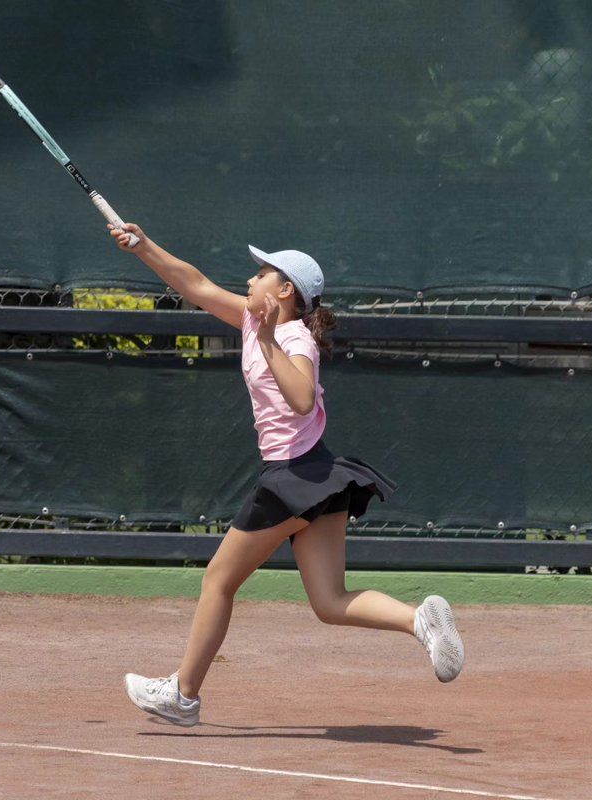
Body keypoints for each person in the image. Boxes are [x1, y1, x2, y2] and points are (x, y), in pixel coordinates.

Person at [110, 222, 465, 727]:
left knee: (217, 581)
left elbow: (300, 401)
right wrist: (141, 246)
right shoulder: (254, 322)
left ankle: (183, 695)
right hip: (318, 475)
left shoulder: (294, 338)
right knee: (330, 601)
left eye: (261, 274)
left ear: (285, 292)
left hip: (294, 477)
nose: (249, 281)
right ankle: (419, 622)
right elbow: (194, 283)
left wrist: (274, 338)